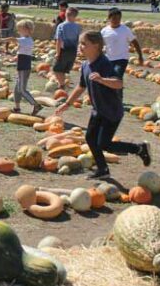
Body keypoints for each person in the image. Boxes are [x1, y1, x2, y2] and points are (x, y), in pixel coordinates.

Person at [56, 31, 151, 179]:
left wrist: (102, 80)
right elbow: (81, 86)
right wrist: (67, 103)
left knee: (104, 144)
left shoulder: (104, 63)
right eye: (80, 43)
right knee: (90, 139)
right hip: (98, 109)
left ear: (96, 46)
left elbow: (119, 83)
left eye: (84, 44)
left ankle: (138, 148)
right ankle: (103, 169)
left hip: (111, 111)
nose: (80, 47)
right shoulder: (85, 65)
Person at [4, 20, 42, 116]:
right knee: (17, 89)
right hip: (21, 67)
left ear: (26, 30)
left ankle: (36, 105)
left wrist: (1, 40)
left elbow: (13, 39)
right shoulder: (25, 41)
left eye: (20, 30)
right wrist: (13, 59)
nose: (18, 32)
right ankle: (17, 108)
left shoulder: (26, 40)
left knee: (22, 90)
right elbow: (23, 53)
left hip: (24, 68)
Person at [101, 8, 144, 79]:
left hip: (122, 59)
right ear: (109, 18)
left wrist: (140, 56)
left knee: (117, 76)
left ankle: (117, 89)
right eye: (114, 18)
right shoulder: (104, 31)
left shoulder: (125, 29)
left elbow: (135, 42)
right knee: (109, 78)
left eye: (118, 18)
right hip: (108, 58)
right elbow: (99, 44)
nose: (116, 21)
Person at [53, 7, 81, 89]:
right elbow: (78, 39)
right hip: (73, 50)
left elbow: (59, 40)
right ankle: (61, 84)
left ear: (65, 14)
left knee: (56, 69)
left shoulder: (61, 26)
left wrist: (58, 53)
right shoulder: (77, 27)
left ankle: (62, 85)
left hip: (64, 50)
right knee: (64, 69)